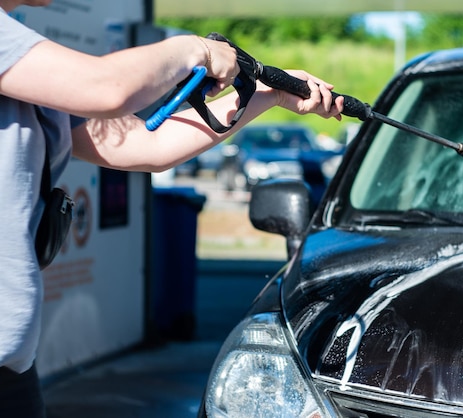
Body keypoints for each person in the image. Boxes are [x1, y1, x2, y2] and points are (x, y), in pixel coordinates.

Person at [0, 0, 345, 416]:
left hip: (13, 369)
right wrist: (196, 50)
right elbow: (104, 88)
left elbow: (141, 143)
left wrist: (269, 94)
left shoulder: (22, 56)